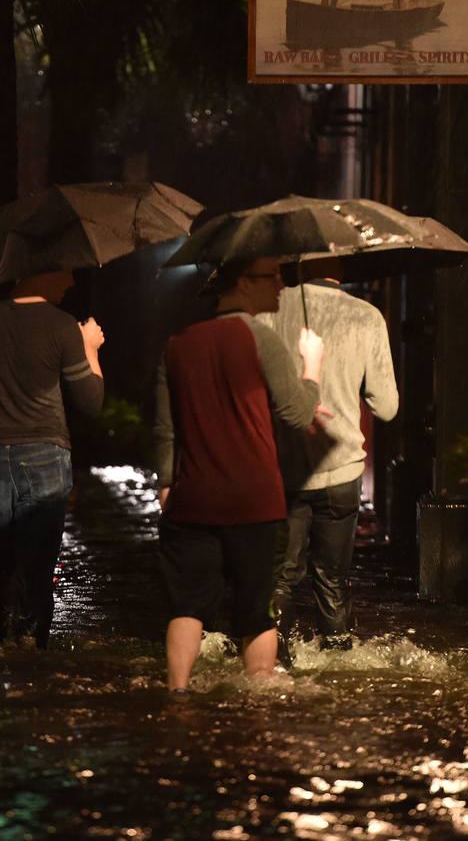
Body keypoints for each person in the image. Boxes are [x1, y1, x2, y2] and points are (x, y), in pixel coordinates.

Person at [154, 257, 325, 693]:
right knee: (255, 612)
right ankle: (257, 700)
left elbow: (166, 427)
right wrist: (312, 366)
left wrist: (166, 482)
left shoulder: (177, 342)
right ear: (244, 283)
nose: (282, 286)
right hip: (255, 501)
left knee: (187, 607)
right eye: (273, 277)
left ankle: (177, 694)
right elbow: (297, 411)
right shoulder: (261, 338)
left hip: (193, 500)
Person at [0, 268, 105, 649]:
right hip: (46, 457)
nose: (71, 283)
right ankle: (29, 656)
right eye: (65, 274)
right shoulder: (63, 327)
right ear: (41, 272)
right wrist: (90, 348)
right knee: (37, 569)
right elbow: (91, 402)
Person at [259, 265, 398, 652]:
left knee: (279, 579)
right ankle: (338, 665)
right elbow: (386, 407)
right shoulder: (366, 316)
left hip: (282, 470)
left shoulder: (267, 310)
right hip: (341, 469)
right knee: (332, 579)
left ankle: (268, 665)